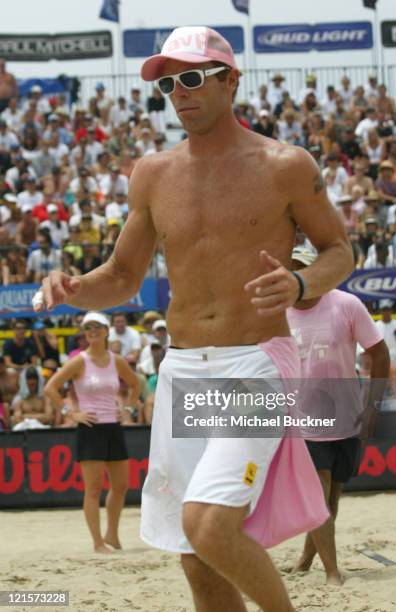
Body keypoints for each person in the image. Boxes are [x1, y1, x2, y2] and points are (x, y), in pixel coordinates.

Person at [33, 26, 353, 611]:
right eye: (168, 84)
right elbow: (123, 277)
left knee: (208, 526)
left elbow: (340, 250)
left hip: (254, 363)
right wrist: (73, 288)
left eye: (191, 78)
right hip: (184, 370)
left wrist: (303, 282)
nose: (178, 93)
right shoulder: (153, 173)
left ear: (230, 80)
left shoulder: (284, 164)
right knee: (192, 549)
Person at [287, 246, 389, 584]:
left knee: (331, 500)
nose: (294, 274)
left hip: (348, 416)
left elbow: (379, 351)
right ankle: (332, 572)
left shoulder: (346, 305)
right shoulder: (279, 314)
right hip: (304, 420)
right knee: (318, 494)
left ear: (315, 270)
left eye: (300, 268)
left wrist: (373, 405)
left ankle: (305, 559)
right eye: (290, 268)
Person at [44, 312, 140, 554]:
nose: (92, 331)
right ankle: (98, 542)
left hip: (113, 427)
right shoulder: (79, 361)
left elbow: (136, 384)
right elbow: (51, 388)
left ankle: (112, 535)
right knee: (93, 489)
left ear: (107, 330)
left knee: (121, 486)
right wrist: (70, 413)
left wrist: (127, 408)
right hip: (90, 428)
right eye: (88, 327)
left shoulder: (116, 360)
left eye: (97, 326)